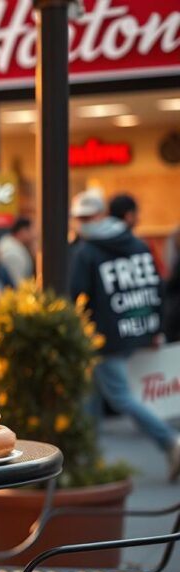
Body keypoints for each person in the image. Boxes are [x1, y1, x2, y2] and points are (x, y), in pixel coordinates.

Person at [68, 190, 180, 482]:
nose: (81, 223)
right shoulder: (138, 244)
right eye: (78, 218)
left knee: (120, 397)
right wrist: (155, 327)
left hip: (103, 338)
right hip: (135, 330)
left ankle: (170, 440)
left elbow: (75, 297)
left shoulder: (86, 252)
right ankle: (88, 461)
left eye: (85, 218)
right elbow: (156, 288)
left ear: (100, 215)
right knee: (90, 397)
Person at [0, 217, 35, 285]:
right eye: (32, 231)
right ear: (23, 231)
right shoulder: (13, 253)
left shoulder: (10, 245)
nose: (34, 236)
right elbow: (18, 285)